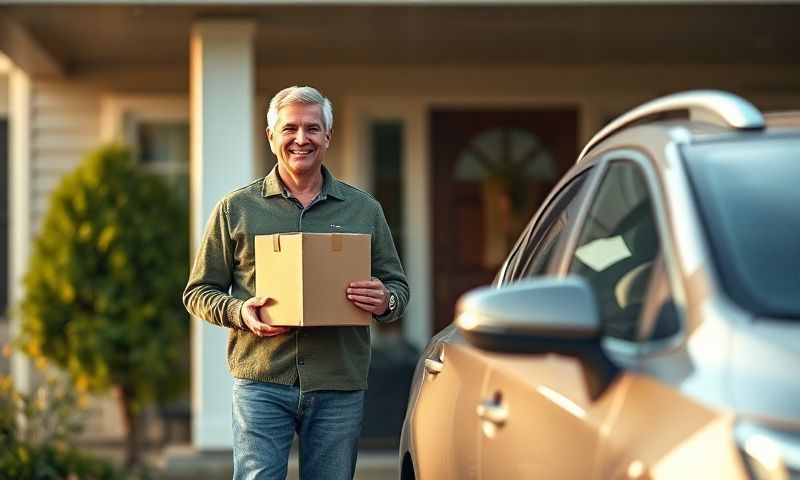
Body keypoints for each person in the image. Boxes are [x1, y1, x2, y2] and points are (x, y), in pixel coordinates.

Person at [183, 85, 409, 480]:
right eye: (290, 129)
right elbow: (198, 292)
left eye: (312, 128)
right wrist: (240, 311)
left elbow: (398, 289)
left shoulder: (364, 209)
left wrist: (385, 300)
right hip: (262, 380)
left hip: (339, 382)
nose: (301, 139)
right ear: (271, 137)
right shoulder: (235, 209)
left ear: (327, 137)